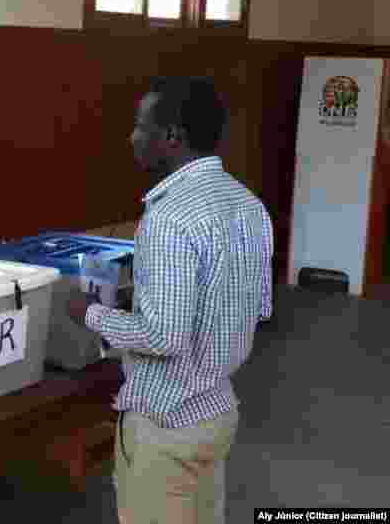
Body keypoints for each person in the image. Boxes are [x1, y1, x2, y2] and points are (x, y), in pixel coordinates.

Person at [67, 77, 273, 524]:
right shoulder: (248, 205)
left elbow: (164, 335)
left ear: (172, 137)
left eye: (140, 127)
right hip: (217, 410)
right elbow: (255, 307)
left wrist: (91, 313)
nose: (132, 137)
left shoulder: (168, 218)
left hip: (166, 423)